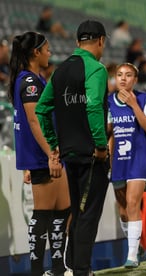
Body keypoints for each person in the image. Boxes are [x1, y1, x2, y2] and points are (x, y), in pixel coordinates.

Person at [35, 20, 109, 276]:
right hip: (91, 156)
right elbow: (93, 107)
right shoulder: (96, 69)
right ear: (101, 40)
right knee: (88, 215)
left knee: (77, 214)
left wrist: (54, 144)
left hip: (69, 154)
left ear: (77, 42)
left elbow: (42, 109)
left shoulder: (60, 70)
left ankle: (73, 268)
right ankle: (81, 270)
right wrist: (100, 146)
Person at [8, 31, 70, 276]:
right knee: (43, 214)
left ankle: (56, 268)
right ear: (36, 52)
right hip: (42, 156)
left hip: (44, 154)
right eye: (47, 49)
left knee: (62, 210)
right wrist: (51, 155)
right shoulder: (30, 82)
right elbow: (34, 122)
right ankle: (37, 270)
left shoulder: (32, 78)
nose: (50, 53)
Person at [107, 62, 146, 268]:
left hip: (139, 159)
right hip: (118, 160)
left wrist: (134, 105)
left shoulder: (144, 99)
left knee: (133, 202)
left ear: (135, 79)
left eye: (128, 75)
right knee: (124, 210)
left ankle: (132, 256)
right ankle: (134, 245)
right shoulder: (108, 102)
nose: (123, 78)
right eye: (119, 75)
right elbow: (109, 134)